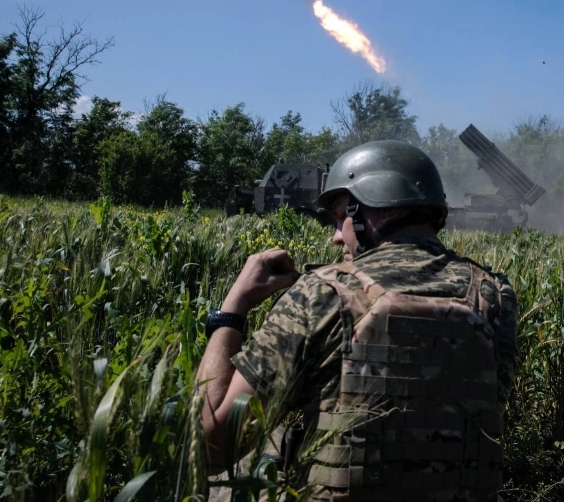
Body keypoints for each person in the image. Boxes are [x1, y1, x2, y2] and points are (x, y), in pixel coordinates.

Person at [196, 140, 519, 501]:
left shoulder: (318, 295)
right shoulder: (495, 296)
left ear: (376, 207)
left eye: (339, 217)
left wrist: (232, 309)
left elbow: (209, 446)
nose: (336, 237)